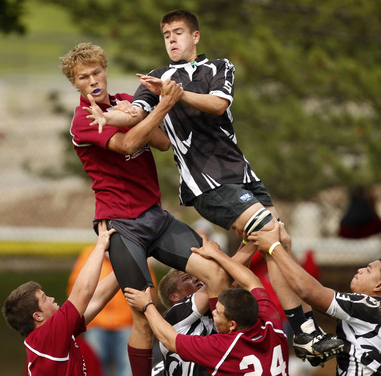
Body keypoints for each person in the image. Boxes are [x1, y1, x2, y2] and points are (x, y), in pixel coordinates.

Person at [87, 9, 342, 364]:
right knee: (268, 234)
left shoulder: (219, 67)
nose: (171, 40)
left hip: (241, 174)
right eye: (166, 35)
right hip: (207, 183)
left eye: (178, 32)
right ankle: (300, 330)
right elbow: (133, 114)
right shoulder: (158, 78)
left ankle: (301, 331)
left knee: (279, 240)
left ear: (196, 36)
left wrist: (175, 96)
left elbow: (218, 104)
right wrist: (105, 115)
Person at [59, 42, 231, 376]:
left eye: (96, 71)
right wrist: (162, 106)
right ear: (75, 83)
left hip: (156, 217)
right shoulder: (82, 120)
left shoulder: (126, 103)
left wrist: (141, 111)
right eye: (83, 77)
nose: (93, 79)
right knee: (142, 310)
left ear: (104, 70)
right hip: (122, 226)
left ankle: (225, 355)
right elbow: (128, 145)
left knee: (215, 273)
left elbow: (163, 143)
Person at [249, 222, 381, 375]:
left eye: (368, 270)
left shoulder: (370, 306)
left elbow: (309, 292)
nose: (360, 270)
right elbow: (304, 296)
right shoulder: (380, 311)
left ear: (379, 285)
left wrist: (274, 248)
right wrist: (285, 250)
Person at [125, 238, 290, 375]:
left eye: (217, 312)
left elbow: (224, 278)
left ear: (232, 324)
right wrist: (252, 241)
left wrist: (147, 306)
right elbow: (236, 279)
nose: (197, 279)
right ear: (175, 297)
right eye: (187, 278)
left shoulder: (223, 345)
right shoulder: (272, 326)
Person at [2, 221, 119, 376]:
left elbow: (96, 299)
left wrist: (129, 264)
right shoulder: (47, 337)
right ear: (37, 316)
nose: (51, 298)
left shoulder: (54, 337)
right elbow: (83, 292)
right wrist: (100, 245)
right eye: (44, 298)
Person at [67, 245, 157, 376]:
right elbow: (76, 288)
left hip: (127, 324)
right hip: (97, 324)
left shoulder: (135, 253)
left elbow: (150, 290)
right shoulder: (89, 255)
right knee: (95, 367)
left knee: (129, 368)